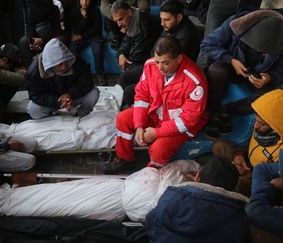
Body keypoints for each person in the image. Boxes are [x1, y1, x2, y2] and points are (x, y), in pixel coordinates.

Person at [103, 36, 208, 174]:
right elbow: (142, 96)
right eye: (157, 61)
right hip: (156, 115)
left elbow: (187, 121)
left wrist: (156, 133)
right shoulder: (150, 66)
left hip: (179, 126)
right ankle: (125, 159)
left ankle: (151, 171)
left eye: (165, 63)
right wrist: (139, 125)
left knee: (159, 149)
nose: (159, 67)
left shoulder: (195, 81)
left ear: (179, 59)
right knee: (123, 119)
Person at [200, 8, 283, 129]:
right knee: (217, 70)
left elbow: (281, 71)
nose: (258, 52)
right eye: (255, 47)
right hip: (230, 65)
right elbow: (207, 45)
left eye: (264, 51)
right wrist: (230, 60)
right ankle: (210, 109)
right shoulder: (236, 23)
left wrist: (269, 78)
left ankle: (226, 111)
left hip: (255, 77)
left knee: (270, 96)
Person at [212, 89, 283, 196]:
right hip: (249, 164)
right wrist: (239, 155)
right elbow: (254, 148)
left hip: (260, 181)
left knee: (239, 184)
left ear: (276, 126)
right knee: (219, 146)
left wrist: (251, 175)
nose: (255, 126)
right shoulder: (265, 126)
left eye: (261, 123)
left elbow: (279, 186)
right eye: (256, 120)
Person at [146, 156, 249, 243]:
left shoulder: (172, 197)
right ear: (233, 189)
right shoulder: (239, 218)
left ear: (197, 177)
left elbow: (152, 221)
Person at [25, 38, 99, 119]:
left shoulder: (78, 62)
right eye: (59, 64)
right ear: (50, 63)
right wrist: (58, 100)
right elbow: (36, 95)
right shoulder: (33, 72)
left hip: (71, 97)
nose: (64, 67)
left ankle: (81, 115)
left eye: (65, 61)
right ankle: (51, 119)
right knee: (33, 109)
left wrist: (70, 95)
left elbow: (86, 83)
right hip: (52, 101)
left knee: (93, 93)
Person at [111, 0, 161, 90]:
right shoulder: (132, 21)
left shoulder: (145, 25)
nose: (119, 25)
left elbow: (139, 55)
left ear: (129, 12)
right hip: (140, 59)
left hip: (149, 62)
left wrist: (126, 61)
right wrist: (121, 54)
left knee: (124, 78)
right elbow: (125, 43)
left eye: (120, 19)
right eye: (116, 21)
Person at [18, 0, 64, 67]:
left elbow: (57, 31)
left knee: (45, 30)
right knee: (23, 41)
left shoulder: (54, 9)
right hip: (36, 41)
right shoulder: (33, 9)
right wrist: (32, 41)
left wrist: (42, 40)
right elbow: (30, 27)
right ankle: (30, 69)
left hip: (50, 40)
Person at [69, 0, 106, 85]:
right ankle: (76, 74)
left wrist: (82, 36)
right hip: (80, 37)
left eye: (87, 0)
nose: (85, 2)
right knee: (72, 50)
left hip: (93, 36)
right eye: (82, 0)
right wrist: (84, 19)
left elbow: (97, 30)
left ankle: (99, 73)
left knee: (97, 50)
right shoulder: (74, 11)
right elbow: (77, 30)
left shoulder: (96, 10)